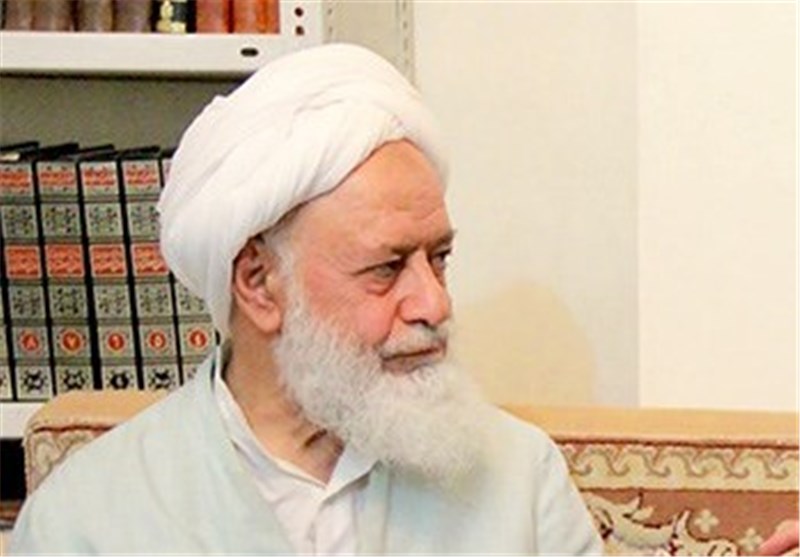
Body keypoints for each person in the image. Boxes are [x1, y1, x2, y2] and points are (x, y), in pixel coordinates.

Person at [9, 43, 602, 554]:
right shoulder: (89, 518)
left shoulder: (521, 484)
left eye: (438, 259)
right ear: (259, 284)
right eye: (387, 268)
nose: (434, 304)